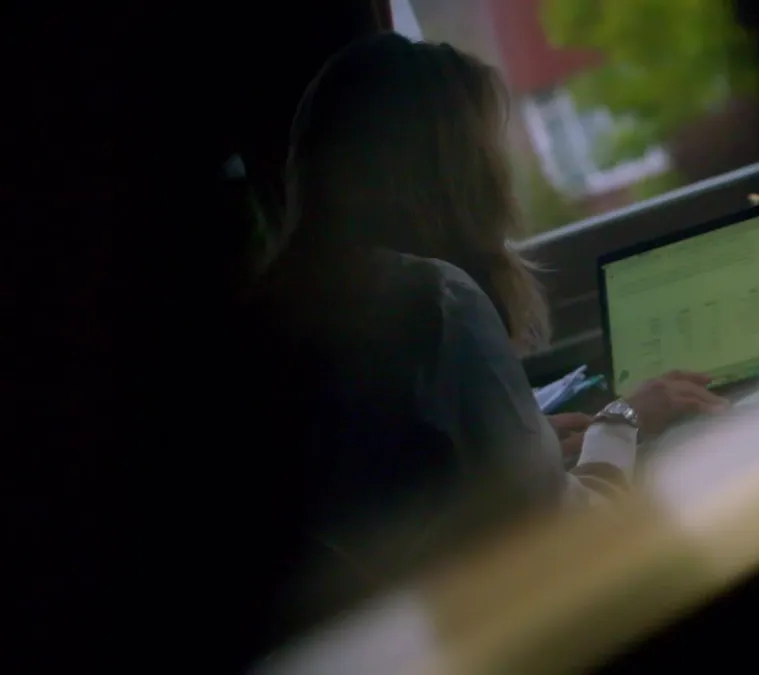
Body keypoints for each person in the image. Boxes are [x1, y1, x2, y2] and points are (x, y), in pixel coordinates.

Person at [243, 31, 730, 631]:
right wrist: (621, 420)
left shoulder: (265, 309)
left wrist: (527, 443)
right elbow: (565, 539)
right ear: (454, 171)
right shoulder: (435, 301)